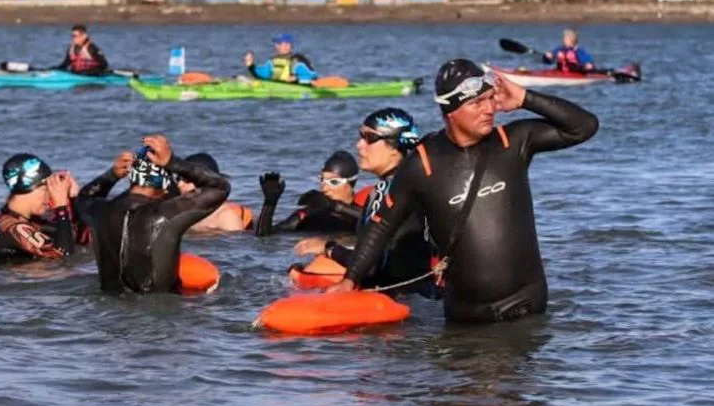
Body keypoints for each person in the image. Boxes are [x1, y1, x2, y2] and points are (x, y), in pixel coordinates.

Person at [328, 59, 599, 324]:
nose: (489, 109)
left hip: (528, 307)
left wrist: (525, 98)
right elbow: (382, 225)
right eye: (476, 103)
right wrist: (349, 280)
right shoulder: (422, 163)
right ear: (450, 111)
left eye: (490, 99)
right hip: (469, 318)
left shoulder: (512, 141)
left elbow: (584, 127)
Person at [294, 110, 437, 296]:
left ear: (394, 148)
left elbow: (371, 266)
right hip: (424, 292)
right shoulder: (421, 184)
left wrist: (329, 249)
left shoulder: (386, 192)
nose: (359, 145)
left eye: (369, 137)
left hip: (396, 298)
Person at [73, 135, 230, 294]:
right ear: (165, 185)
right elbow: (220, 188)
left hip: (108, 311)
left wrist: (111, 175)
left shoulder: (99, 212)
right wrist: (173, 162)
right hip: (159, 313)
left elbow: (84, 197)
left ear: (132, 178)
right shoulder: (166, 214)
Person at [0, 154, 80, 263]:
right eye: (46, 189)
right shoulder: (13, 228)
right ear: (30, 189)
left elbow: (76, 238)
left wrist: (74, 200)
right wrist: (61, 207)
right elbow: (65, 257)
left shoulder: (31, 221)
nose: (51, 196)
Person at [254, 150, 369, 236]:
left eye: (333, 181)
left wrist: (334, 206)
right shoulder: (308, 215)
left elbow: (380, 226)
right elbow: (264, 237)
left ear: (351, 183)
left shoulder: (362, 216)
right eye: (322, 180)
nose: (324, 188)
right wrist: (270, 203)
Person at [179, 153, 254, 233]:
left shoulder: (225, 217)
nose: (179, 184)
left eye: (186, 180)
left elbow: (237, 244)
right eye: (178, 178)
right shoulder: (183, 211)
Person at [243, 33, 317, 84]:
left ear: (288, 45)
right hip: (276, 88)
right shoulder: (273, 61)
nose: (276, 46)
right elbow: (263, 75)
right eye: (276, 44)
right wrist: (251, 65)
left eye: (279, 43)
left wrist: (297, 78)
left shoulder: (297, 61)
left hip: (293, 89)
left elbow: (312, 75)